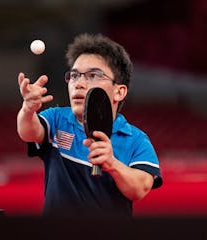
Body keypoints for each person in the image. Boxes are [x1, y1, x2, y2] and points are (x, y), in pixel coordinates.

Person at [17, 33, 162, 217]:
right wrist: (28, 110)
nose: (79, 83)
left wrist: (112, 164)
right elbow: (28, 132)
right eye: (75, 75)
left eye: (93, 75)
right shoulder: (56, 119)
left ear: (119, 91)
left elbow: (140, 188)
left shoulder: (136, 139)